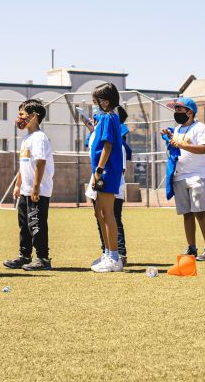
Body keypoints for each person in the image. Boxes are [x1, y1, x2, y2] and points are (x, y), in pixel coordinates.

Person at [3, 99, 55, 271]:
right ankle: (24, 255)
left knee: (36, 223)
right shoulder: (27, 138)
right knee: (24, 225)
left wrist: (36, 187)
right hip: (26, 190)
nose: (19, 118)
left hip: (37, 190)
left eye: (22, 114)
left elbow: (40, 163)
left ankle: (43, 258)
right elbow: (24, 164)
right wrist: (18, 185)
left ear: (34, 116)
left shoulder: (39, 138)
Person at [165, 96, 205, 261]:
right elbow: (177, 148)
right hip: (180, 177)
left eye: (179, 109)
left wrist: (181, 145)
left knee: (200, 212)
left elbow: (203, 149)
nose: (176, 112)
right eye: (176, 109)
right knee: (187, 214)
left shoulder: (199, 127)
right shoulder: (178, 129)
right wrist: (170, 138)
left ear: (190, 112)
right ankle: (192, 248)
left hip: (196, 176)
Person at [87, 83, 125, 273]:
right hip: (102, 171)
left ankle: (114, 257)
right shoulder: (104, 118)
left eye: (96, 101)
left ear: (105, 101)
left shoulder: (109, 118)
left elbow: (107, 146)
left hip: (107, 172)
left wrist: (99, 170)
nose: (95, 104)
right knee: (99, 213)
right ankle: (107, 253)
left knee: (108, 214)